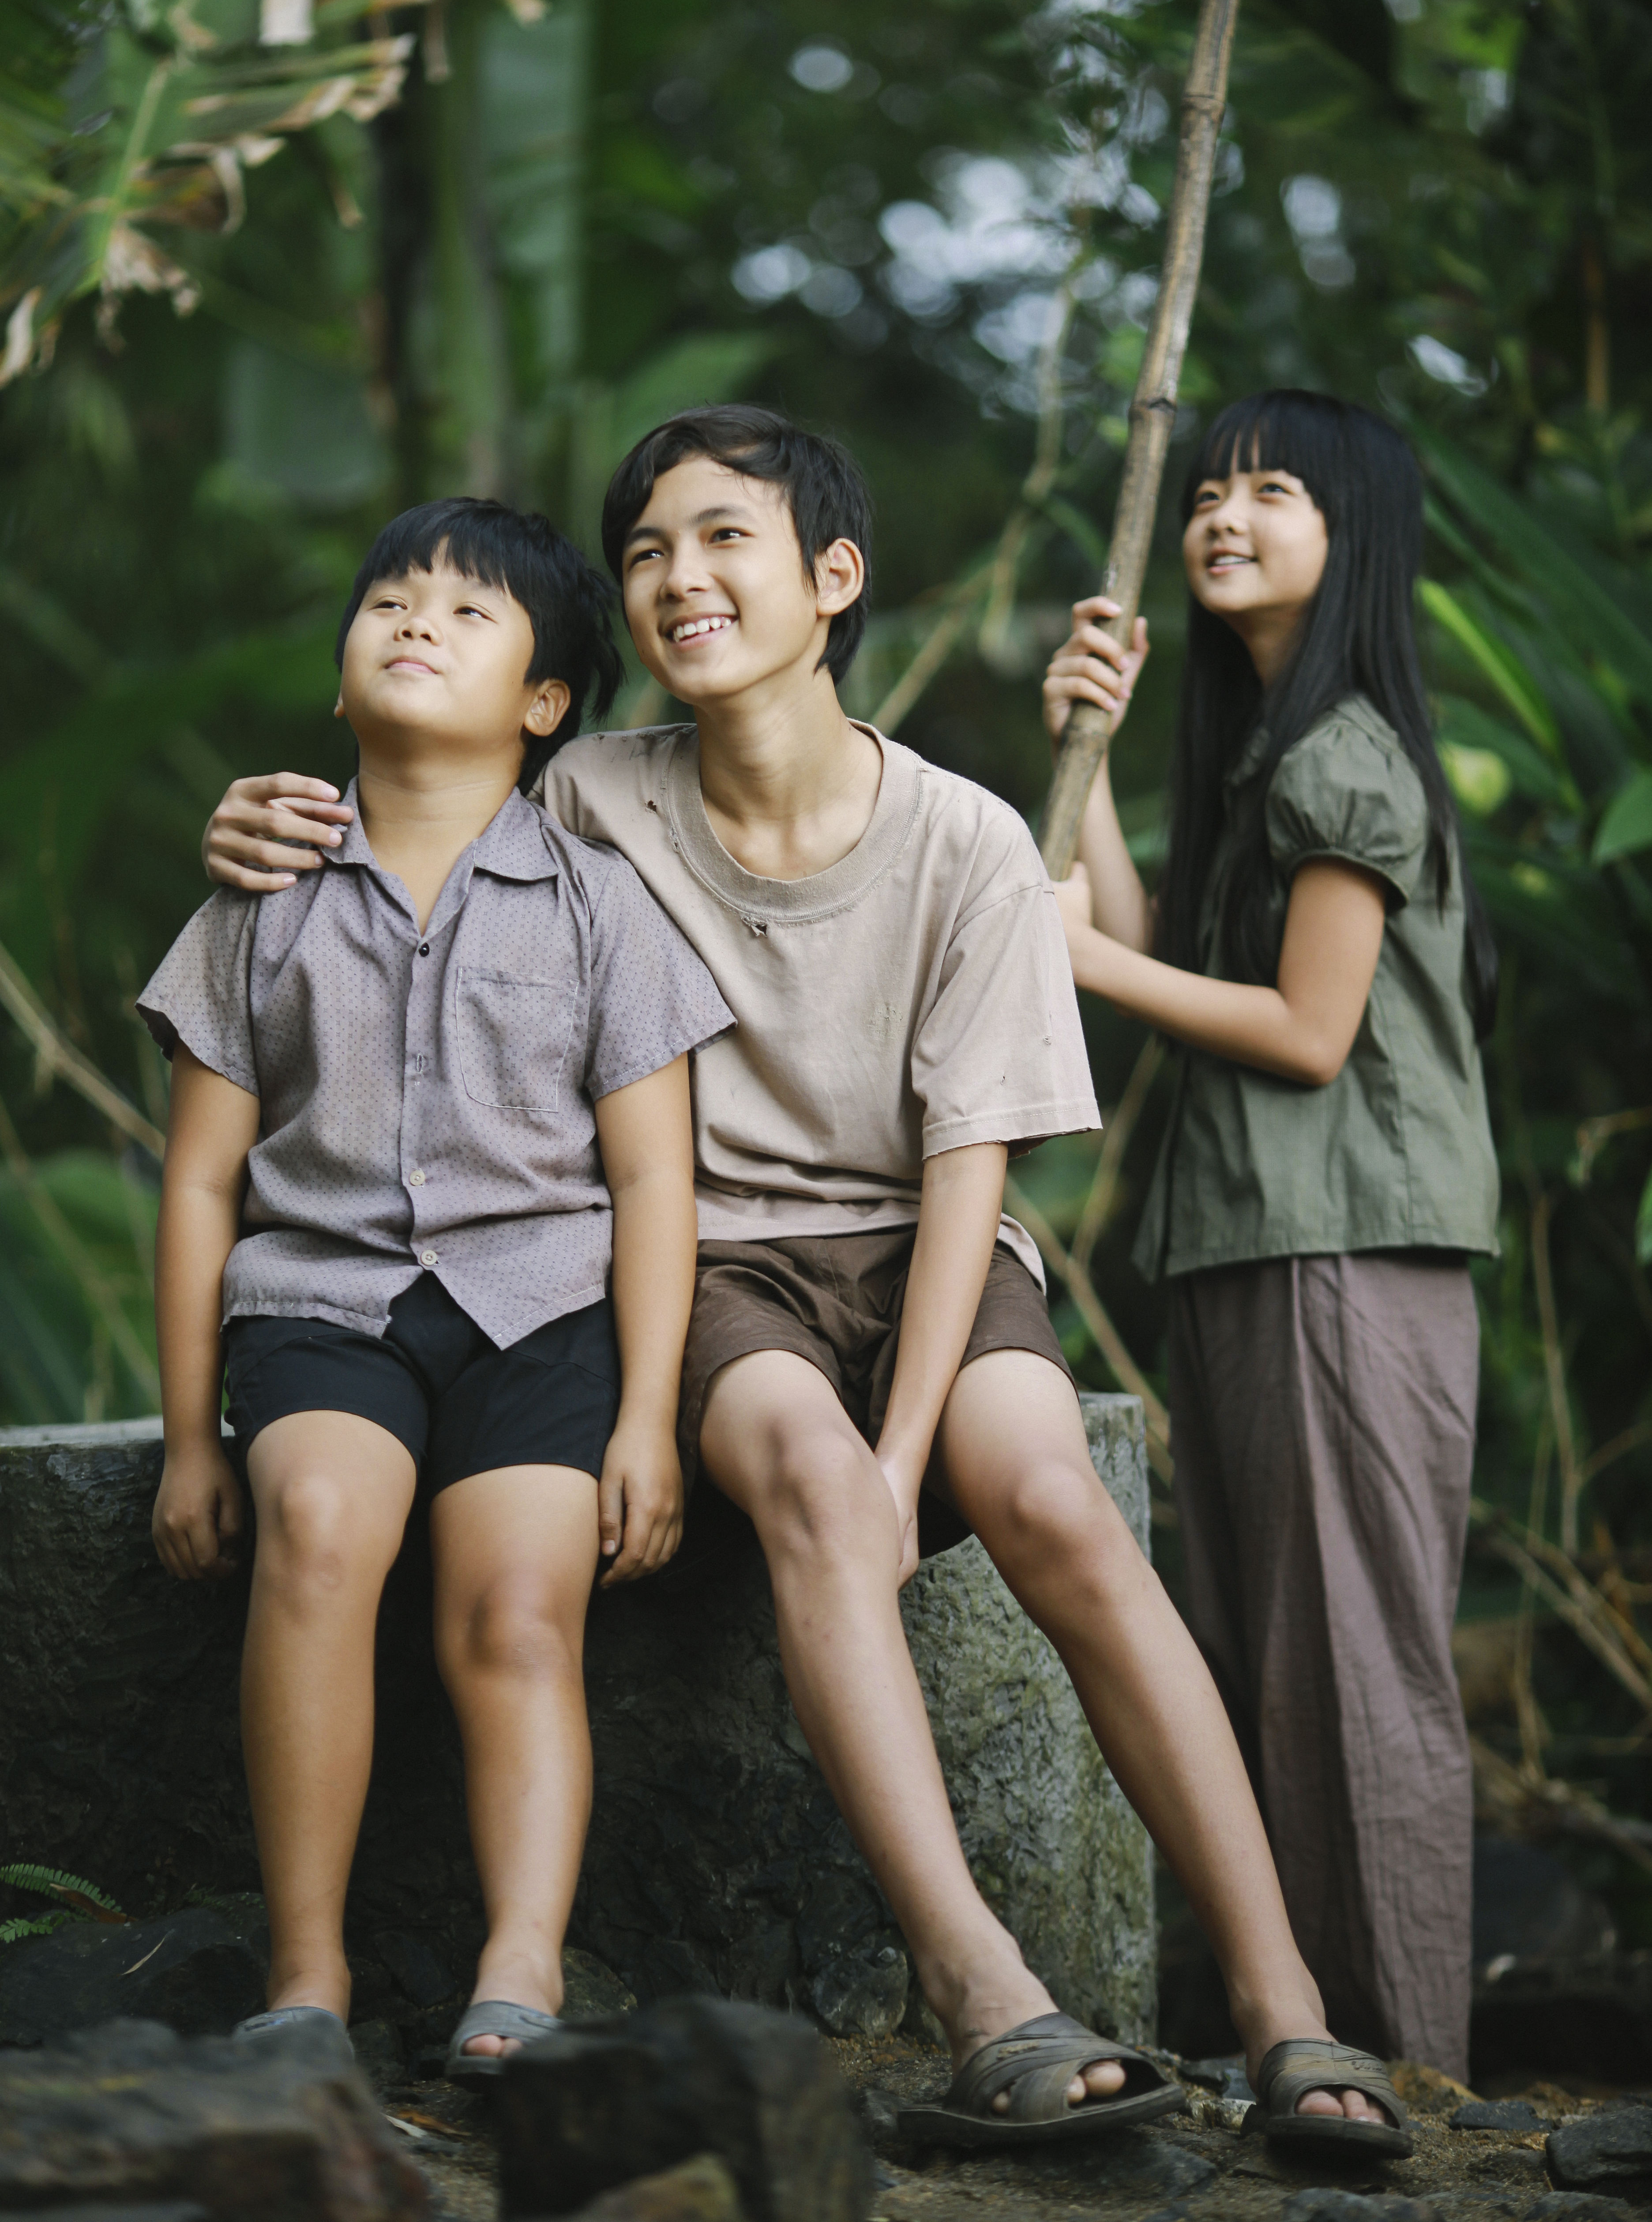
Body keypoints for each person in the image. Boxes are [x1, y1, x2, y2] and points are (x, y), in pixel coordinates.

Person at [202, 406, 1410, 2155]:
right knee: (817, 1486)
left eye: (722, 539)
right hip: (718, 1263)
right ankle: (979, 1990)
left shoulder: (970, 842)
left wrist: (918, 1443)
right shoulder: (597, 793)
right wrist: (266, 818)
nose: (678, 577)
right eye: (645, 552)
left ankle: (1288, 2013)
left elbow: (966, 1176)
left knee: (1057, 1495)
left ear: (832, 577)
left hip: (931, 1247)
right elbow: (420, 802)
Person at [143, 498, 732, 2085]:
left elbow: (654, 1182)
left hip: (540, 1312)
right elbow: (204, 1179)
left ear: (546, 703)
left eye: (471, 616)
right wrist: (196, 1440)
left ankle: (520, 1973)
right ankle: (308, 1979)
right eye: (391, 604)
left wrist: (654, 1423)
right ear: (340, 680)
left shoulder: (606, 905)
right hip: (320, 1304)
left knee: (519, 1607)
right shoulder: (258, 894)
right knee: (322, 1532)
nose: (418, 624)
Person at [1041, 388, 1499, 2084]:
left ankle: (1413, 2069)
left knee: (1354, 1677)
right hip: (1251, 1249)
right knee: (1263, 1666)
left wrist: (1079, 960)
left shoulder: (1347, 752)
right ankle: (1308, 2045)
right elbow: (1169, 949)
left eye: (1274, 490)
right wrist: (1090, 750)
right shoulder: (1262, 751)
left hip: (1343, 1255)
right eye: (1210, 489)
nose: (1223, 512)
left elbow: (1302, 1030)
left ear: (1354, 535)